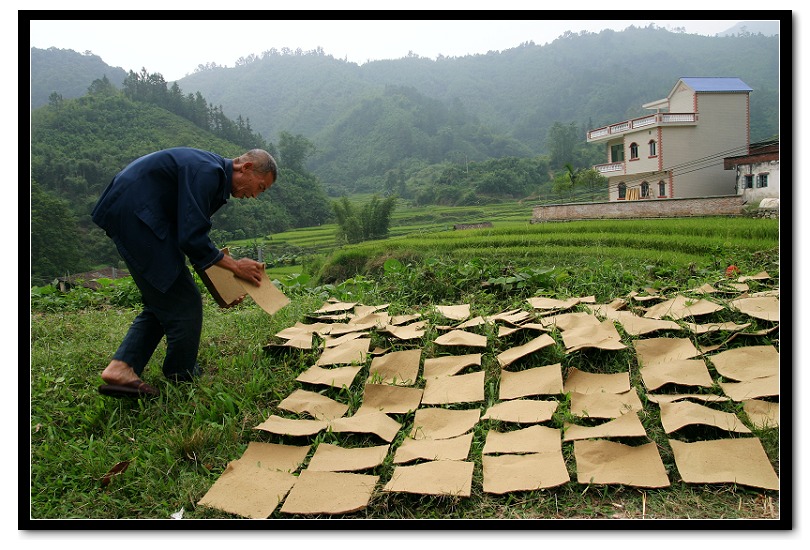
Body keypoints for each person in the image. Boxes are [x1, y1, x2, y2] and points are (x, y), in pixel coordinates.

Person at [91, 147, 278, 398]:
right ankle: (182, 374)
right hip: (137, 213)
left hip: (142, 214)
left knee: (165, 296)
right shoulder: (207, 172)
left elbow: (191, 240)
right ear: (245, 168)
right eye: (261, 187)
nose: (255, 195)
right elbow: (191, 238)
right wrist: (235, 266)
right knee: (185, 301)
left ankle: (122, 367)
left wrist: (225, 289)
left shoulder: (212, 175)